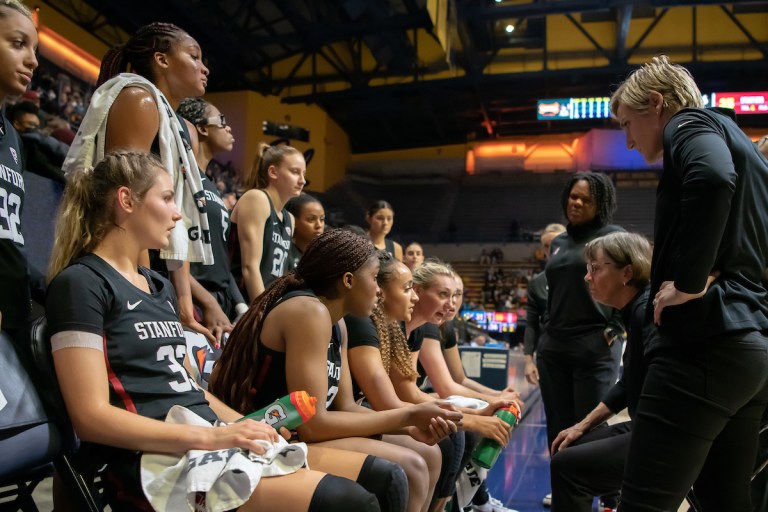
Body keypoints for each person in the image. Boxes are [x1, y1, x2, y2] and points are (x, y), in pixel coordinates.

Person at [46, 152, 381, 512]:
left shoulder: (157, 284)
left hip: (204, 441)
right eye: (168, 198)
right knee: (349, 502)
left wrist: (249, 425)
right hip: (152, 462)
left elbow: (191, 389)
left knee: (379, 478)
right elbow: (90, 417)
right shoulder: (81, 283)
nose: (178, 213)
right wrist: (215, 435)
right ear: (127, 200)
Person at [610, 55, 768, 511]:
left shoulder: (690, 123)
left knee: (643, 503)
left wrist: (690, 280)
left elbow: (713, 179)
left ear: (656, 104)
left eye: (627, 123)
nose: (629, 140)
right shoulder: (744, 145)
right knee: (724, 503)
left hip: (704, 347)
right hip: (749, 352)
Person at [209, 229, 463, 512]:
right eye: (374, 278)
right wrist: (408, 415)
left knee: (428, 455)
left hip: (303, 432)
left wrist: (410, 425)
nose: (379, 290)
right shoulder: (309, 311)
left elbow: (347, 406)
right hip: (271, 435)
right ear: (348, 281)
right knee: (407, 469)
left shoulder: (338, 323)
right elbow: (312, 424)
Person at [62, 22, 217, 343]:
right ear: (162, 60)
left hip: (155, 272)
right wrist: (143, 285)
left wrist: (186, 305)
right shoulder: (139, 99)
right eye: (194, 56)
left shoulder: (178, 125)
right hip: (124, 269)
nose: (205, 67)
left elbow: (179, 221)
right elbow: (125, 204)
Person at [548, 232, 653, 512]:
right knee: (567, 446)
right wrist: (582, 425)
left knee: (566, 466)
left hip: (664, 435)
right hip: (647, 426)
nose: (587, 277)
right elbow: (627, 384)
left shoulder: (647, 313)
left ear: (627, 273)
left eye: (595, 268)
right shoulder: (637, 310)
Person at [536, 172, 624, 452]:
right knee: (558, 430)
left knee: (589, 429)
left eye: (586, 200)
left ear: (601, 205)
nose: (576, 202)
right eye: (573, 196)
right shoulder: (559, 242)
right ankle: (563, 493)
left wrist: (616, 328)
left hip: (594, 345)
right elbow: (553, 289)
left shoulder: (614, 237)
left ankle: (610, 496)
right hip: (555, 347)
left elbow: (638, 283)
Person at [177, 97, 246, 332]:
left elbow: (220, 259)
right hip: (192, 299)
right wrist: (207, 302)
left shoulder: (210, 184)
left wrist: (240, 305)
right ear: (202, 129)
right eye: (222, 121)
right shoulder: (181, 176)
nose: (229, 127)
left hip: (218, 301)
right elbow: (169, 250)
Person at [0, 0, 42, 342]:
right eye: (18, 44)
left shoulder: (13, 137)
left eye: (34, 49)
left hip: (14, 311)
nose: (33, 60)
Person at [229, 143, 306, 301]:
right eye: (295, 172)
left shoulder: (289, 218)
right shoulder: (257, 199)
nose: (303, 180)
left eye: (304, 174)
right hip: (240, 300)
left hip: (267, 299)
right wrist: (262, 315)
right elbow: (250, 268)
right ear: (273, 172)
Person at [523, 223, 566, 387]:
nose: (551, 249)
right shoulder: (537, 282)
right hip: (548, 356)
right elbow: (531, 324)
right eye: (547, 246)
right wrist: (528, 360)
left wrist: (613, 329)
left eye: (556, 243)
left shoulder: (587, 274)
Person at [284, 193, 325, 272]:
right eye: (311, 219)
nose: (319, 225)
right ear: (294, 221)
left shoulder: (325, 256)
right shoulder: (285, 253)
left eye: (322, 219)